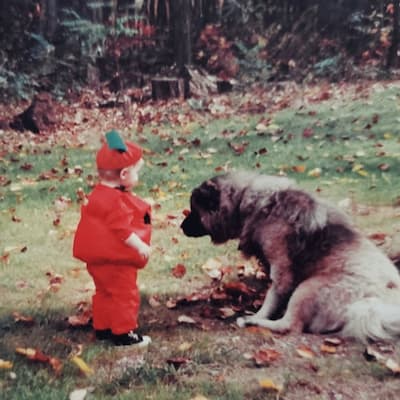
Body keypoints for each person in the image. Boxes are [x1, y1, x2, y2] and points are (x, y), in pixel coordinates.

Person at [73, 130, 152, 346]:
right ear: (124, 174)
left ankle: (104, 328)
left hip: (97, 261)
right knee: (124, 294)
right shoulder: (116, 202)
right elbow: (122, 230)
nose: (138, 177)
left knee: (104, 293)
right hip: (116, 262)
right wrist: (140, 246)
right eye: (137, 172)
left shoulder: (97, 195)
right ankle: (123, 332)